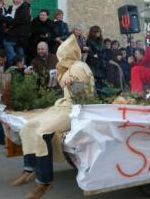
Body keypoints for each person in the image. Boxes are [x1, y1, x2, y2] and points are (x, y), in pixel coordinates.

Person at [12, 34, 95, 199]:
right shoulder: (70, 67)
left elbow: (83, 96)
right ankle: (29, 168)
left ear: (67, 55)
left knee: (42, 132)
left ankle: (45, 181)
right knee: (30, 125)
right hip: (63, 106)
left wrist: (72, 84)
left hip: (75, 111)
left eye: (61, 55)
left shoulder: (79, 67)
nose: (60, 59)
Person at [3, 0, 33, 66]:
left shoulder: (25, 7)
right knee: (20, 52)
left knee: (7, 44)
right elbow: (7, 17)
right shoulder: (11, 8)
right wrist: (8, 24)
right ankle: (20, 66)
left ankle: (16, 62)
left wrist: (11, 22)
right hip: (12, 33)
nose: (18, 1)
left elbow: (22, 20)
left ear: (22, 0)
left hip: (20, 34)